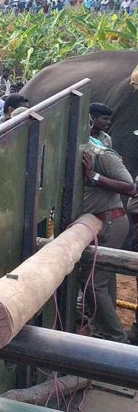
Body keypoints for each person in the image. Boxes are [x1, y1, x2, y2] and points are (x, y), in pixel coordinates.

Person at [79, 111, 136, 344]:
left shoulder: (102, 154)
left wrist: (93, 177)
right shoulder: (80, 152)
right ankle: (103, 329)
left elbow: (129, 187)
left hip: (111, 222)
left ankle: (115, 337)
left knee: (92, 282)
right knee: (104, 280)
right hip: (98, 222)